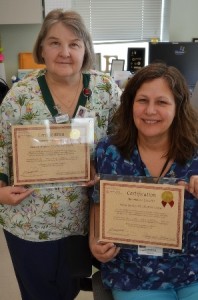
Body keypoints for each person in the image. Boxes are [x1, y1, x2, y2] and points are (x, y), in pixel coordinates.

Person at [0, 9, 121, 300]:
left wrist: (102, 169)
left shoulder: (106, 90)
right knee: (38, 294)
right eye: (54, 43)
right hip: (30, 221)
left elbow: (123, 143)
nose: (64, 52)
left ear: (86, 50)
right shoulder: (20, 96)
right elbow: (1, 147)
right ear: (41, 47)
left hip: (82, 220)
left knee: (68, 290)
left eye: (74, 44)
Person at [89, 63, 198, 300]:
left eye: (161, 102)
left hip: (193, 268)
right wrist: (95, 242)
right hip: (133, 273)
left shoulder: (196, 152)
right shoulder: (109, 151)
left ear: (178, 107)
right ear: (130, 104)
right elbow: (98, 202)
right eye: (142, 101)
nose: (150, 111)